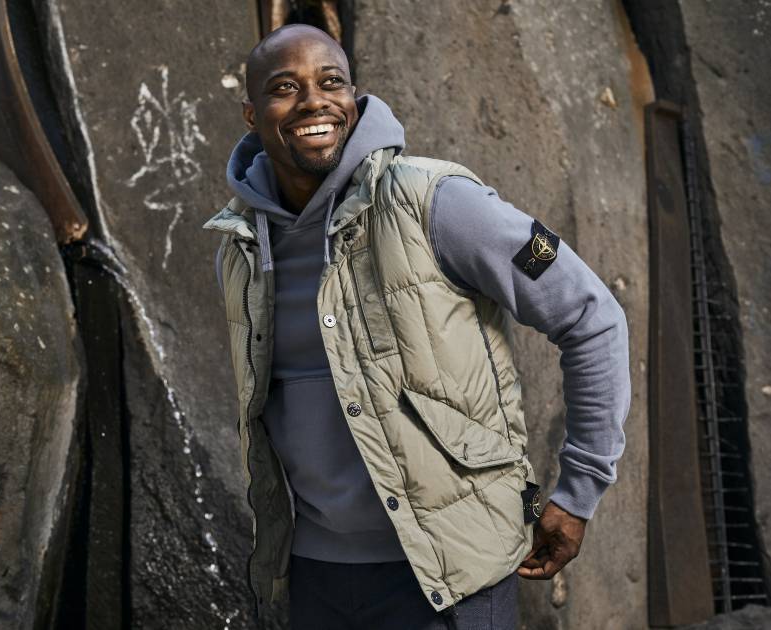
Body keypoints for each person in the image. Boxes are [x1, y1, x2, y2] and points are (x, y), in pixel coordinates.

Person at [202, 24, 630, 630]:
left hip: (453, 574)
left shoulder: (435, 201)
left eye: (331, 82)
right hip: (314, 574)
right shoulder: (241, 248)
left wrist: (579, 490)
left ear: (354, 99)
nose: (313, 102)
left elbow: (591, 316)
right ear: (252, 114)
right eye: (285, 88)